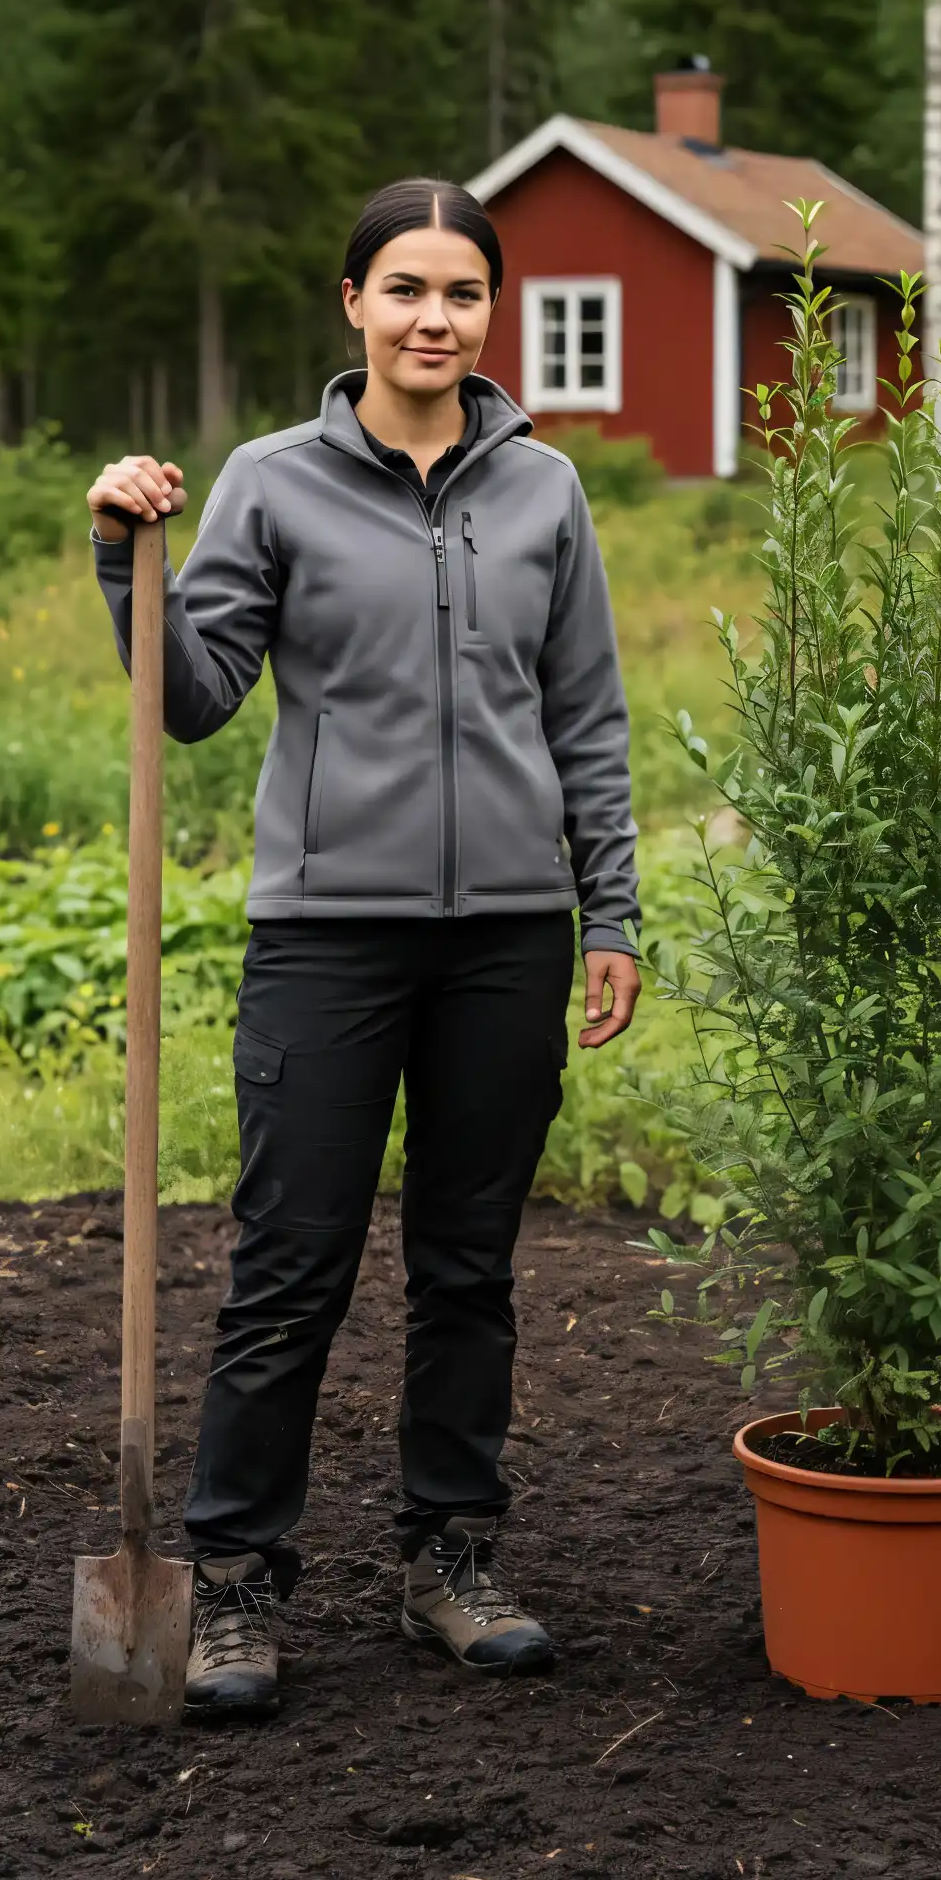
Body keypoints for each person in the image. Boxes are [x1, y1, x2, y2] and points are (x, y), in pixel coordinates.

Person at [86, 178, 641, 1716]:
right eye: (405, 289)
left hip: (510, 942)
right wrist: (127, 557)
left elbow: (585, 718)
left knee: (469, 1270)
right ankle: (234, 1588)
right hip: (327, 934)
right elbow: (194, 699)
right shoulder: (273, 484)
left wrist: (615, 913)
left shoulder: (547, 493)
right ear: (355, 306)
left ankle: (450, 1559)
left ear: (489, 315)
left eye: (462, 293)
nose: (433, 318)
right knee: (291, 1266)